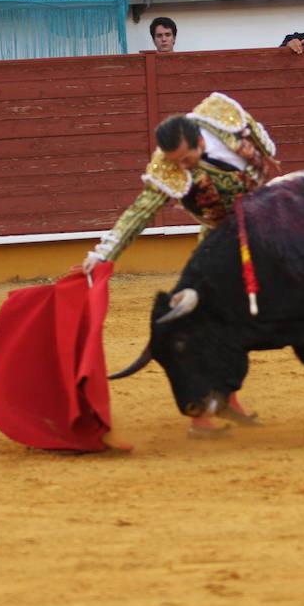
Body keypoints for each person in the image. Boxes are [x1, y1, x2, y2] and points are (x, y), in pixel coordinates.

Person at [79, 96, 277, 432]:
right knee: (211, 323)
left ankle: (223, 399)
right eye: (176, 162)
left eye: (186, 159)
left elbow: (263, 144)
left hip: (265, 226)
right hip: (220, 243)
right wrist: (103, 254)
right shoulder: (169, 165)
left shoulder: (222, 116)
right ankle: (204, 409)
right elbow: (140, 212)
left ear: (200, 140)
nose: (181, 167)